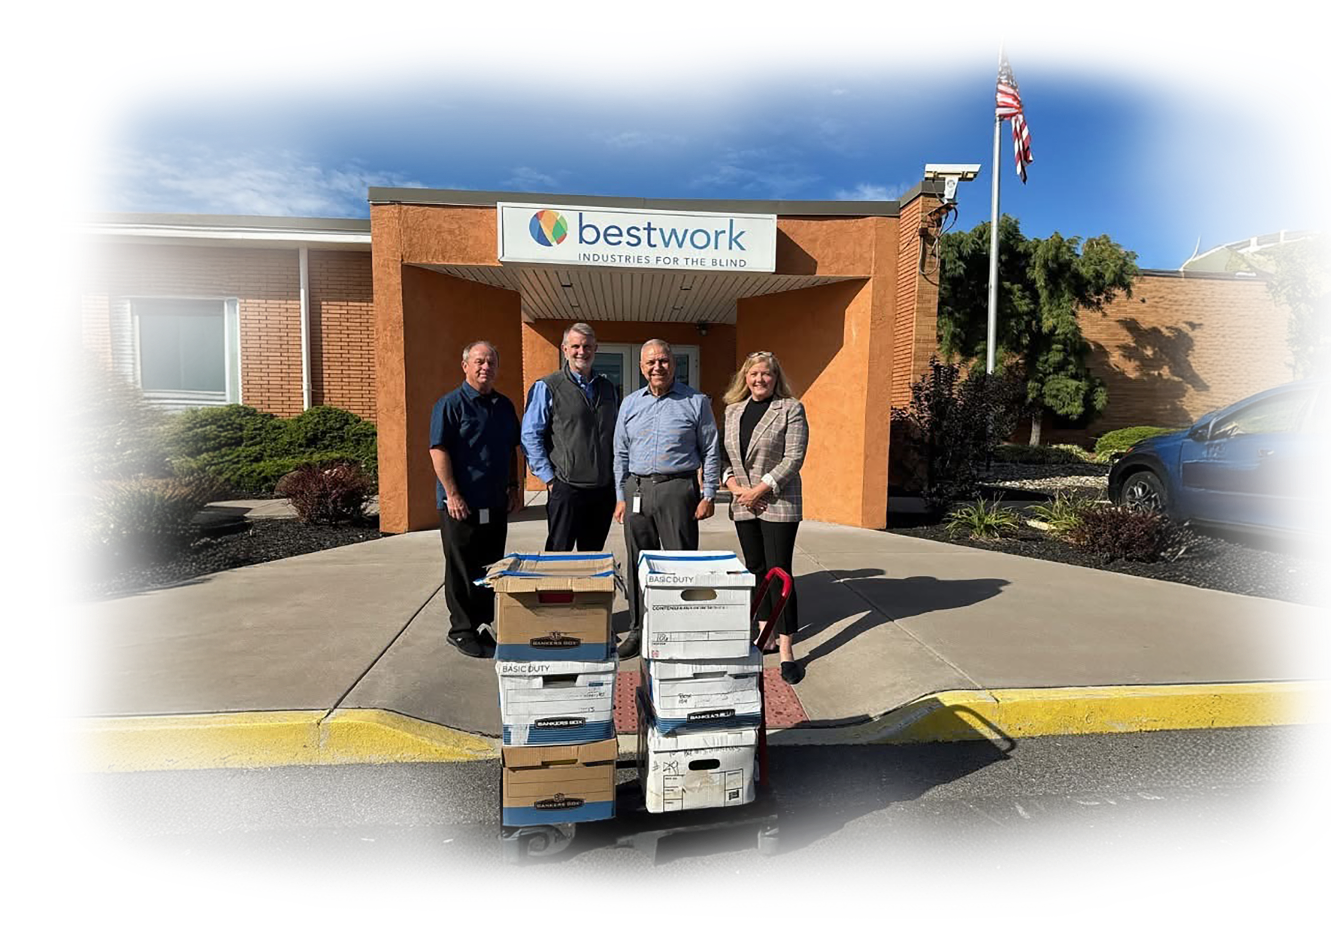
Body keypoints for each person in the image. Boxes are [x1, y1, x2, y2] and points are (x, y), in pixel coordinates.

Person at [613, 339, 721, 659]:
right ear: (641, 367)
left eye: (663, 361)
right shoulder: (630, 404)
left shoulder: (695, 402)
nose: (657, 367)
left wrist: (709, 493)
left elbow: (711, 450)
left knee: (680, 564)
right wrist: (620, 495)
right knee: (637, 563)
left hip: (678, 489)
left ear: (673, 364)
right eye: (651, 362)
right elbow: (620, 452)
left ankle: (678, 629)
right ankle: (638, 629)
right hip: (638, 490)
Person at [429, 341, 523, 659]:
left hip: (494, 502)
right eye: (479, 361)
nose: (486, 367)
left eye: (491, 363)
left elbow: (512, 449)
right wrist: (452, 494)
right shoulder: (450, 405)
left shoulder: (504, 406)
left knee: (490, 567)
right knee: (461, 568)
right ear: (465, 365)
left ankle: (483, 625)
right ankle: (461, 630)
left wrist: (513, 486)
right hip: (461, 505)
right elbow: (438, 450)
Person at [721, 351, 808, 684]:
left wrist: (760, 489)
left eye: (766, 375)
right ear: (745, 377)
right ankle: (765, 636)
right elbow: (723, 455)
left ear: (776, 378)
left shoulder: (790, 409)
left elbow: (793, 457)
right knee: (756, 570)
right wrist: (733, 485)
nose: (760, 380)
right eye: (753, 374)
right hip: (743, 502)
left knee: (779, 573)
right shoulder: (732, 411)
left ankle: (787, 651)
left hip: (777, 502)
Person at [520, 323, 620, 552]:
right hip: (566, 487)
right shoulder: (548, 386)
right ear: (564, 349)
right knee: (558, 555)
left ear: (596, 349)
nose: (581, 352)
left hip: (602, 489)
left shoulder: (607, 388)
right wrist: (550, 480)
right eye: (575, 346)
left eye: (587, 346)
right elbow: (530, 436)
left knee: (592, 557)